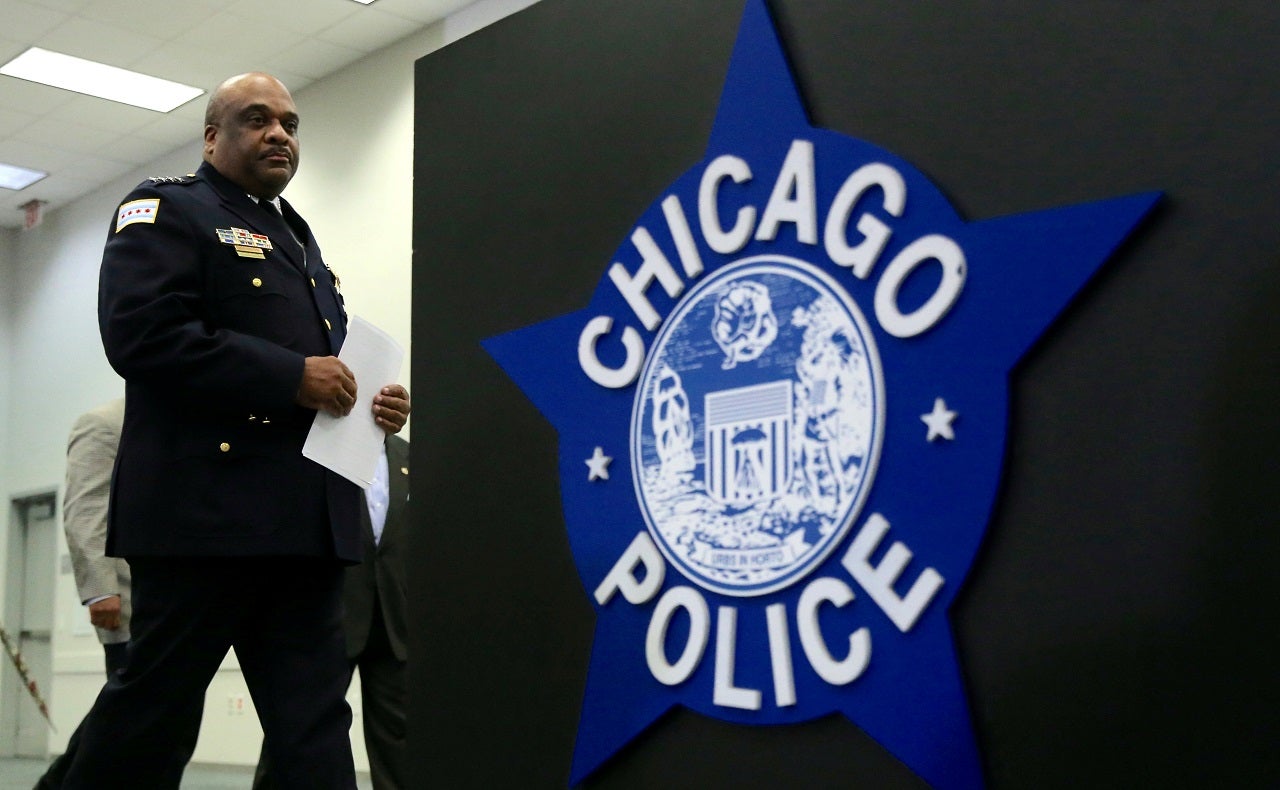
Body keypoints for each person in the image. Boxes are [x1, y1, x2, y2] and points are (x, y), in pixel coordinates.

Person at [60, 72, 410, 790]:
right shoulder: (167, 210)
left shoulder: (297, 241)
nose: (280, 133)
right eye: (258, 119)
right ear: (213, 137)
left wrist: (365, 400)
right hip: (205, 523)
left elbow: (323, 372)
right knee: (153, 715)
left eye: (290, 122)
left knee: (313, 725)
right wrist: (291, 376)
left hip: (304, 526)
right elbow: (141, 335)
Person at [254, 434, 411, 789]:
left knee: (401, 738)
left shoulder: (408, 454)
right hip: (327, 612)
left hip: (393, 619)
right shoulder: (320, 443)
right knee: (301, 729)